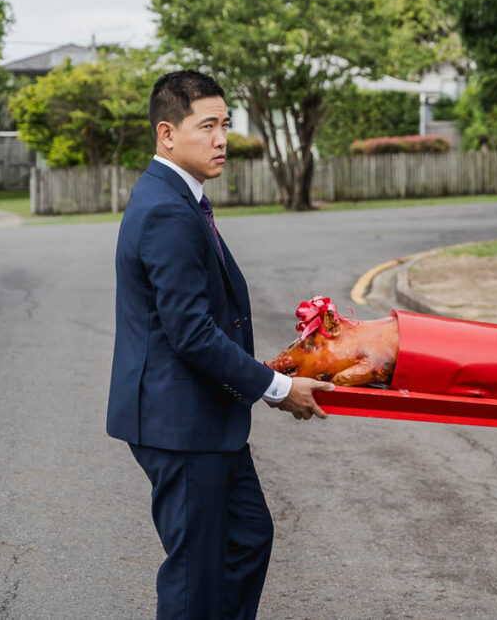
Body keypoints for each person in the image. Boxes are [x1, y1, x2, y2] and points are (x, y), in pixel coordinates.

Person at [107, 70, 333, 619]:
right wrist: (278, 387)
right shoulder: (166, 209)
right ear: (166, 134)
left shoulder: (179, 198)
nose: (221, 138)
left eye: (225, 124)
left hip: (207, 419)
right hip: (180, 424)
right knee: (194, 575)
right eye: (206, 126)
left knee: (247, 538)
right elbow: (191, 332)